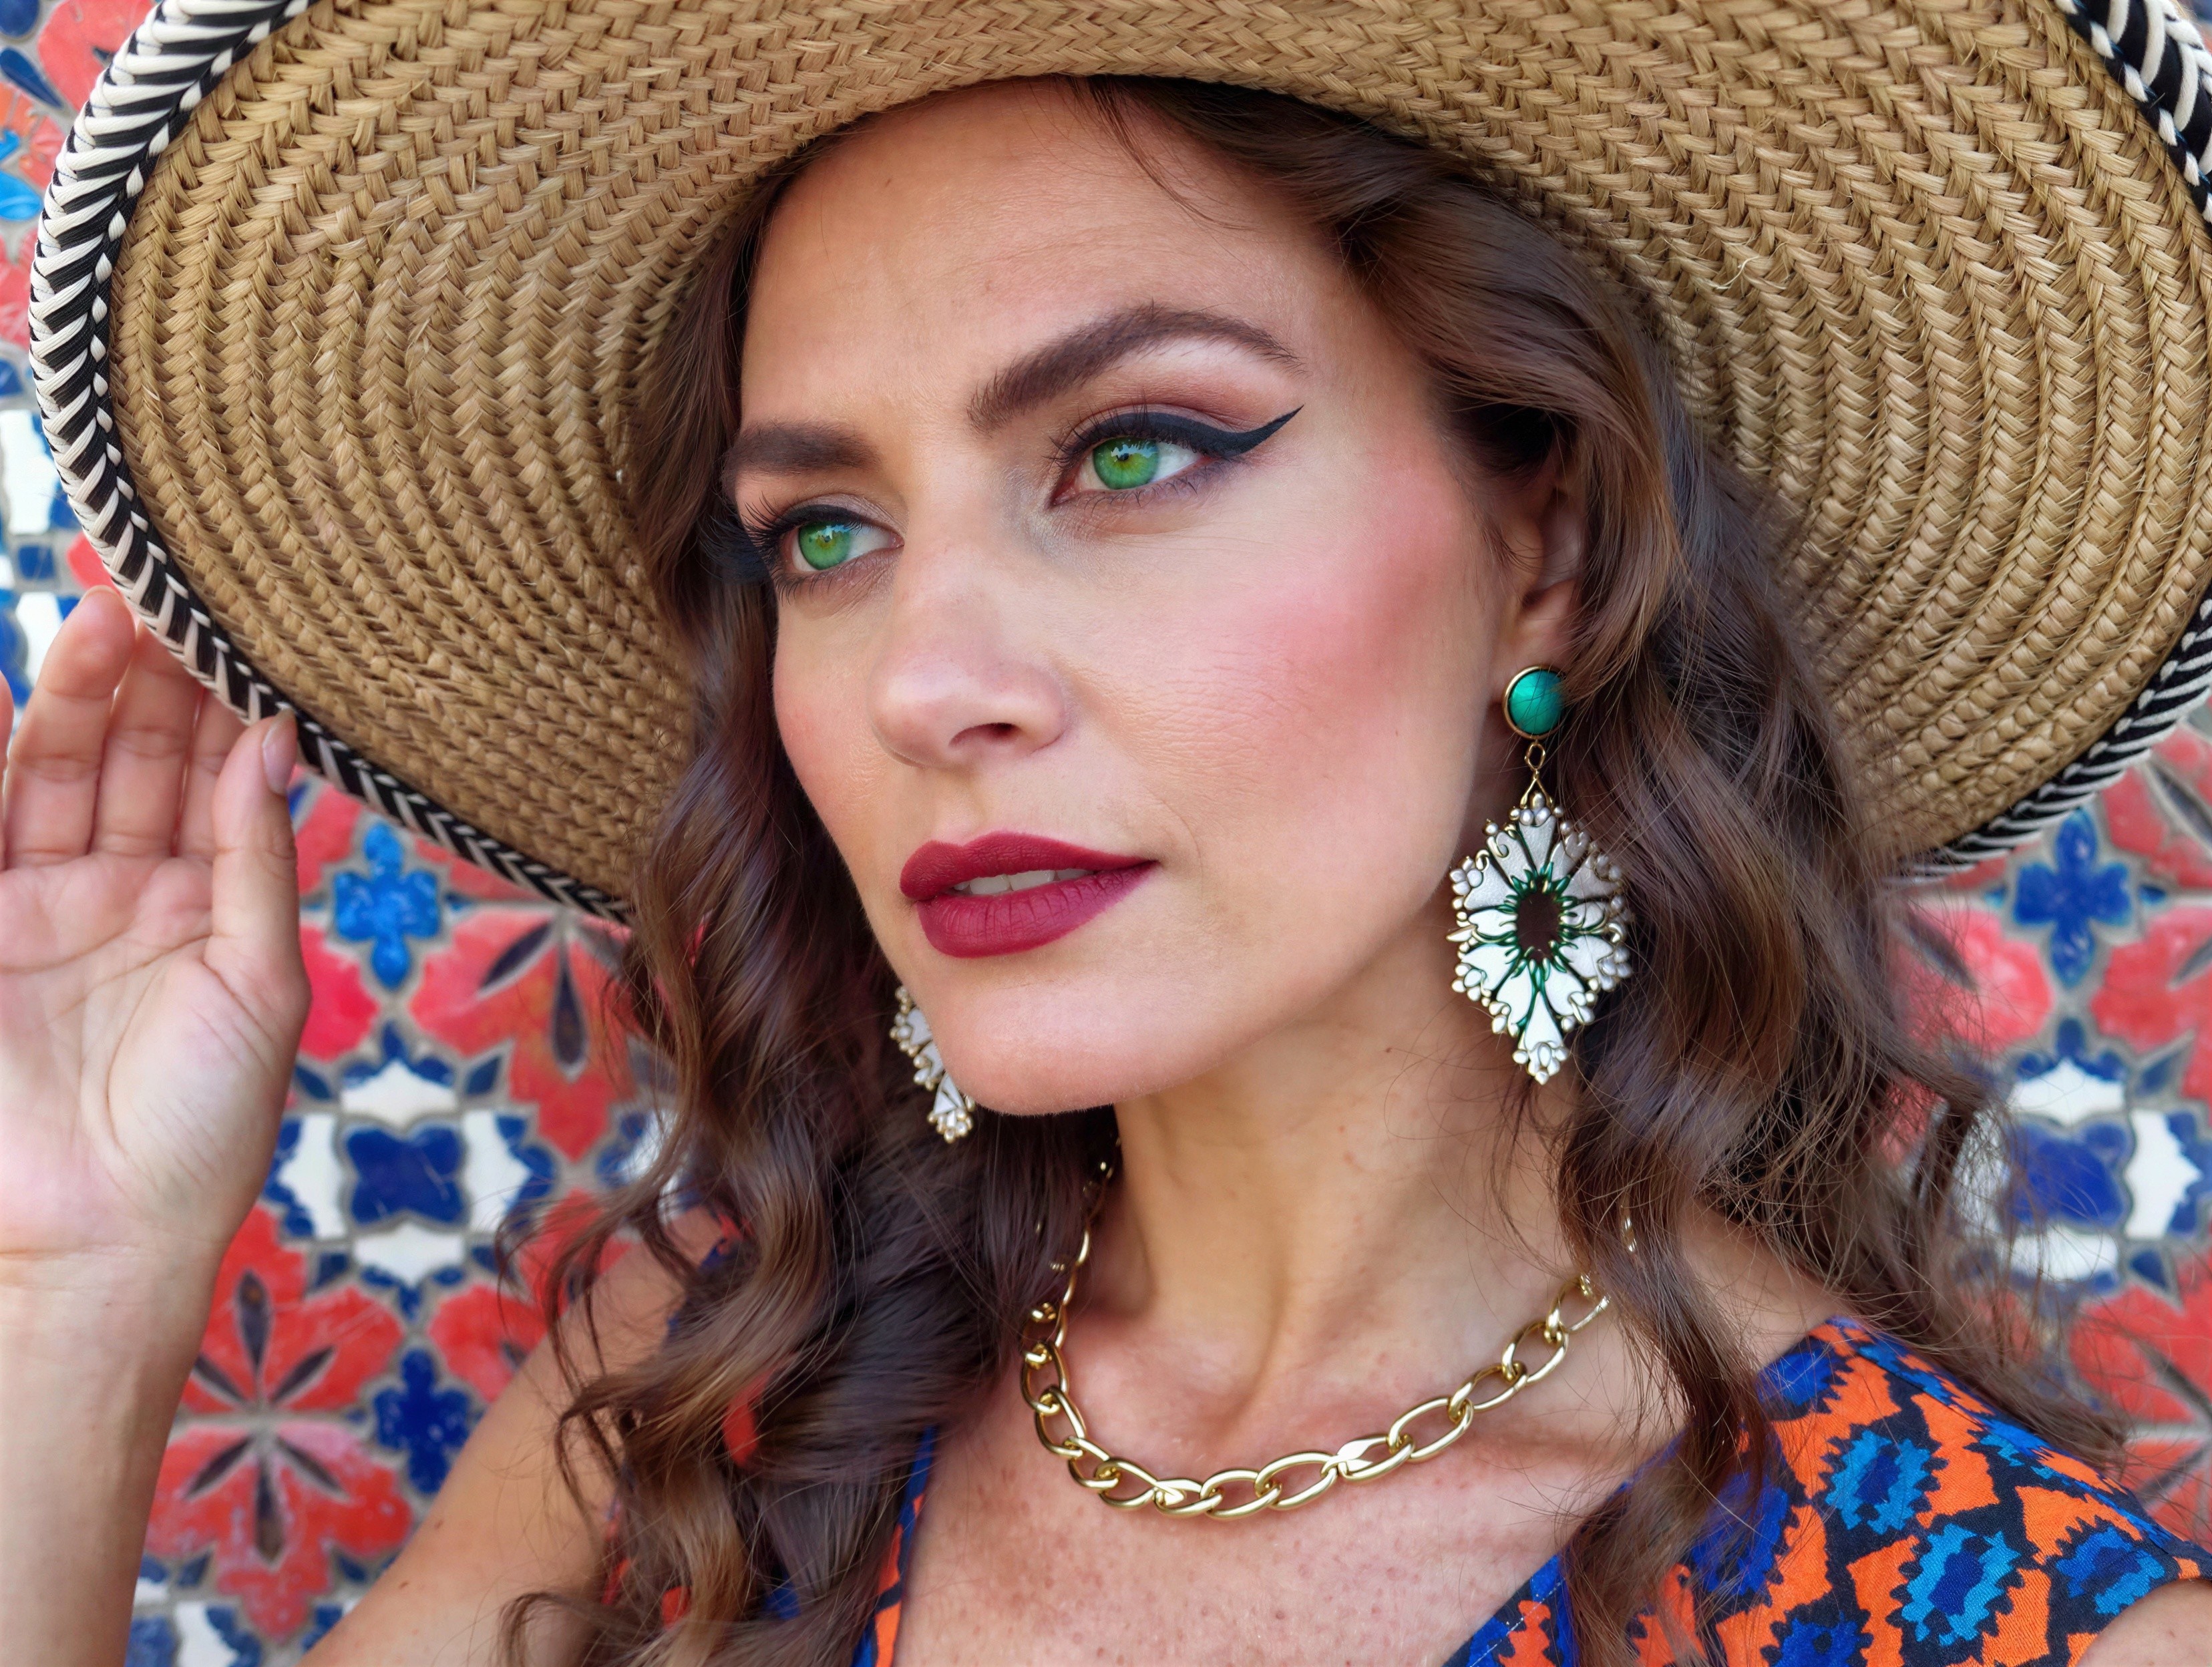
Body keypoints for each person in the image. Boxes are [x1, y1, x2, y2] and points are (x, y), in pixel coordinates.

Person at [7, 5, 2212, 1664]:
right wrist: (74, 1290)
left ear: (1543, 553)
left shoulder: (2000, 1612)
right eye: (826, 533)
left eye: (1135, 451)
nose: (921, 682)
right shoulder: (714, 1399)